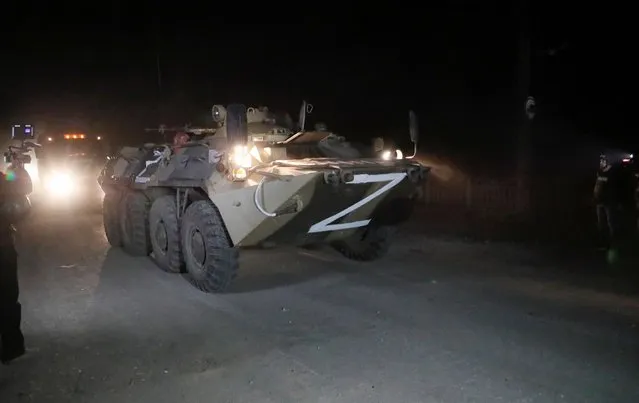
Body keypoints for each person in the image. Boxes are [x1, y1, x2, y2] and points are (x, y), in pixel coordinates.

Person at [0, 163, 32, 364]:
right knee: (7, 299)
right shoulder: (4, 179)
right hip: (2, 248)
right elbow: (21, 206)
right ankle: (12, 348)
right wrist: (16, 171)